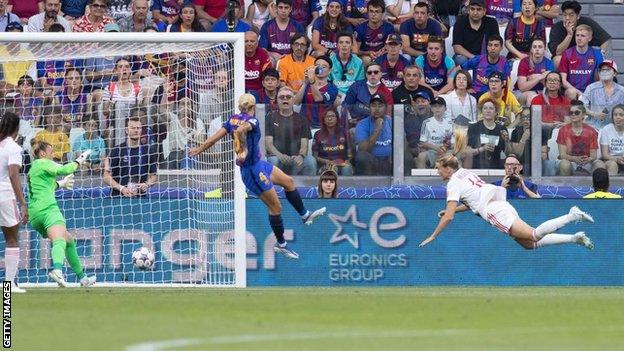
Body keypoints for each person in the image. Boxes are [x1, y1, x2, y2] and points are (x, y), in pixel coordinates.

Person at [189, 94, 326, 259]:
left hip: (260, 164)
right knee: (276, 208)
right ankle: (281, 244)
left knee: (288, 182)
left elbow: (213, 139)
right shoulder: (253, 121)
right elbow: (243, 129)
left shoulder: (232, 119)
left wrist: (199, 149)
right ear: (253, 108)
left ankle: (305, 215)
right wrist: (241, 148)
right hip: (252, 171)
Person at [419, 153, 595, 250]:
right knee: (529, 245)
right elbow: (473, 201)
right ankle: (575, 238)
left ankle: (571, 216)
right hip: (499, 202)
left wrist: (433, 236)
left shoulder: (453, 183)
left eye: (439, 169)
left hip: (494, 211)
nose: (437, 173)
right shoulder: (465, 172)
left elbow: (448, 217)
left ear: (449, 169)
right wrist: (454, 210)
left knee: (534, 235)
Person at [27, 140, 97, 287]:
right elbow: (65, 169)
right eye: (51, 152)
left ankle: (83, 278)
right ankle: (57, 271)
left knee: (69, 240)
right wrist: (79, 160)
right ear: (42, 153)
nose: (53, 155)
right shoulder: (42, 162)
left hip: (35, 215)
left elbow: (47, 187)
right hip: (48, 209)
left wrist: (62, 184)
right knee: (59, 240)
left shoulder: (34, 169)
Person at [0, 112, 28, 293]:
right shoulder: (14, 148)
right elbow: (13, 175)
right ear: (17, 129)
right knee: (11, 238)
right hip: (4, 195)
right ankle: (9, 285)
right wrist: (23, 203)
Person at [103, 117, 158, 197]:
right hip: (118, 198)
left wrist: (146, 184)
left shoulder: (148, 151)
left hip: (140, 199)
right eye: (132, 128)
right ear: (126, 130)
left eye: (138, 128)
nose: (136, 130)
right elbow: (106, 177)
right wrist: (122, 188)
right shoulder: (117, 150)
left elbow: (153, 176)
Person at [599, 104, 624, 176]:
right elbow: (605, 155)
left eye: (621, 115)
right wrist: (616, 159)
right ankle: (611, 187)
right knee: (612, 165)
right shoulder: (607, 129)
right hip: (610, 159)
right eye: (615, 115)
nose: (618, 117)